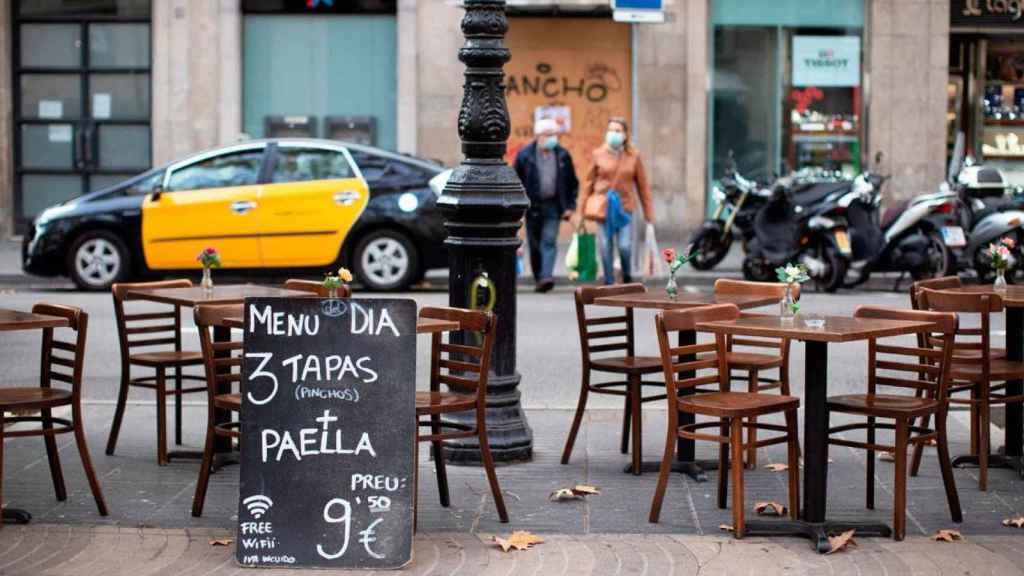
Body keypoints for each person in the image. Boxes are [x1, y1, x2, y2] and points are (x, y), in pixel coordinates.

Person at [578, 117, 654, 285]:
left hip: (625, 207)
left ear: (625, 134)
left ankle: (626, 277)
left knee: (625, 246)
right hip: (603, 207)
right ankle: (609, 280)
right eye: (610, 130)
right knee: (605, 245)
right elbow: (588, 183)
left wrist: (648, 213)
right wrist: (582, 209)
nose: (613, 133)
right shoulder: (598, 154)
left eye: (617, 130)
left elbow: (643, 186)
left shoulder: (634, 156)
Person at [514, 117, 579, 292]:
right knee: (535, 244)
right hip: (532, 205)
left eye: (554, 134)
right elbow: (515, 181)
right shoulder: (525, 156)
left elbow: (573, 183)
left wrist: (569, 206)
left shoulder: (563, 155)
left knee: (549, 240)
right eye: (548, 134)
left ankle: (546, 276)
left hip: (554, 205)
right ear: (538, 135)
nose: (552, 138)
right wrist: (518, 205)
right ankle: (539, 277)